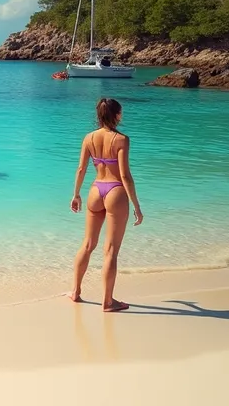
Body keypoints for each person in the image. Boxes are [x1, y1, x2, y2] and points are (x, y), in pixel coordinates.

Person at [69, 98, 143, 313]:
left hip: (94, 191)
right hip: (115, 191)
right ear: (117, 115)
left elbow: (81, 169)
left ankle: (76, 291)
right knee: (110, 250)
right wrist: (136, 205)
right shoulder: (121, 140)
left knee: (87, 244)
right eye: (121, 113)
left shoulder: (88, 138)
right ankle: (108, 301)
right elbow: (125, 175)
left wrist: (76, 194)